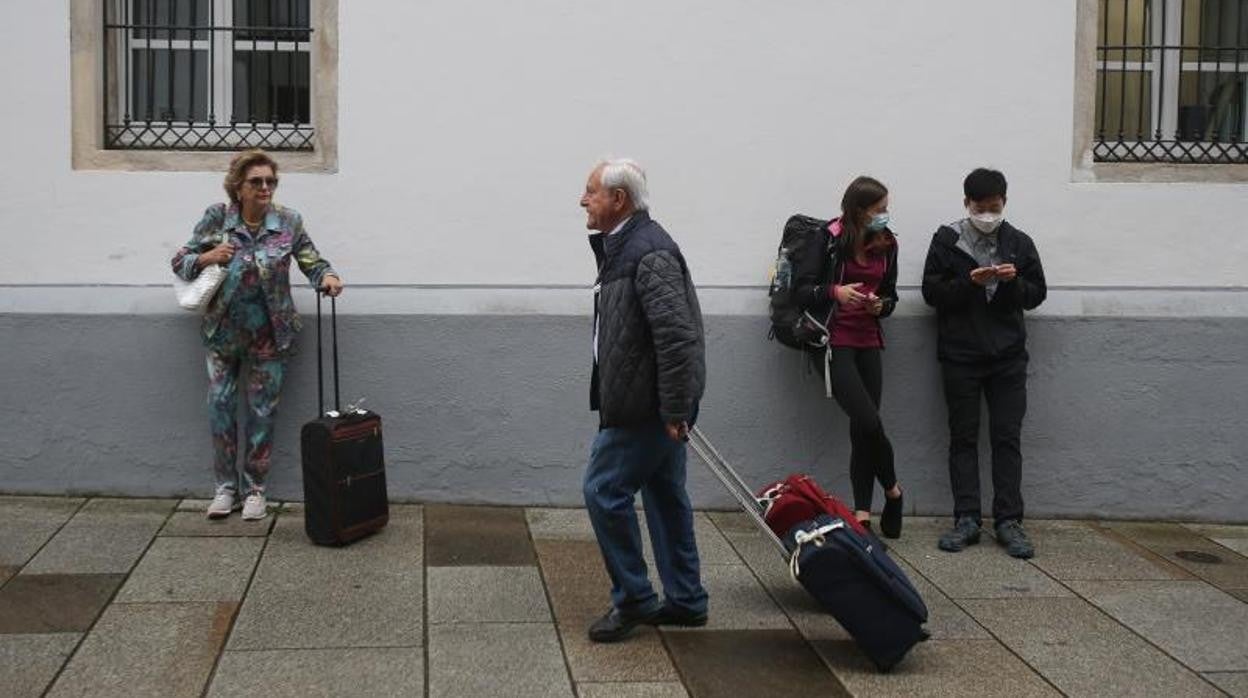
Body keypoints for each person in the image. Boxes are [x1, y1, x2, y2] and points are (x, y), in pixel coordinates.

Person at [172, 149, 343, 521]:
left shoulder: (288, 222)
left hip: (271, 335)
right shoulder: (217, 218)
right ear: (238, 186)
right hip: (223, 334)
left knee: (262, 413)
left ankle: (255, 491)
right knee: (220, 410)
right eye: (257, 182)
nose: (265, 188)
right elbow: (180, 262)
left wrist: (326, 278)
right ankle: (225, 489)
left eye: (271, 181)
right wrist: (208, 256)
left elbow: (312, 260)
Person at [579, 158, 709, 642]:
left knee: (603, 491)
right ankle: (687, 599)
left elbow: (676, 337)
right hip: (654, 401)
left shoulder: (646, 250)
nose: (582, 201)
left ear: (619, 200)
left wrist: (674, 409)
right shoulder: (626, 246)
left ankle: (634, 598)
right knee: (664, 494)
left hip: (646, 406)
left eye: (591, 192)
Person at [921, 168, 1047, 559]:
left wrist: (1012, 283)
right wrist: (968, 284)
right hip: (961, 356)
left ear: (1004, 203)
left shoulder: (1019, 242)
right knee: (963, 437)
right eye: (980, 208)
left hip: (1008, 358)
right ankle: (967, 519)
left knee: (1006, 437)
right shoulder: (946, 240)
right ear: (966, 204)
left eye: (994, 208)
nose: (987, 214)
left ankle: (1009, 520)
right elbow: (931, 293)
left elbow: (1036, 293)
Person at [790, 176, 904, 538]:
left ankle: (863, 514)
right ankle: (894, 492)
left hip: (869, 340)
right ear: (858, 211)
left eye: (886, 209)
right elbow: (801, 291)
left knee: (862, 431)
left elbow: (890, 297)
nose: (884, 216)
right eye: (878, 210)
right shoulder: (828, 239)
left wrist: (879, 305)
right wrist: (835, 292)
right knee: (869, 422)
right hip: (834, 342)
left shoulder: (888, 243)